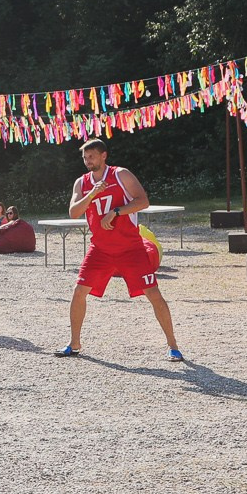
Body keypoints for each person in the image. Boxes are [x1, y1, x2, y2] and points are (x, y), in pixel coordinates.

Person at [58, 139, 182, 360]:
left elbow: (142, 201)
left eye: (92, 156)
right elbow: (74, 212)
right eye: (85, 158)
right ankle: (74, 343)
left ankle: (173, 346)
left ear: (103, 155)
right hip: (100, 249)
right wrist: (92, 194)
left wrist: (116, 211)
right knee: (79, 292)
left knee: (153, 293)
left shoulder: (120, 174)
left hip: (130, 248)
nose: (88, 161)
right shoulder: (82, 183)